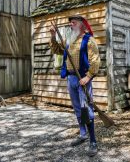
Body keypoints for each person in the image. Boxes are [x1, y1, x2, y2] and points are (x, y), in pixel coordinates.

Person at [49, 15, 101, 157]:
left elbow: (95, 61)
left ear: (82, 25)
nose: (71, 25)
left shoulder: (89, 41)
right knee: (78, 108)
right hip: (71, 79)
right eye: (70, 23)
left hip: (83, 79)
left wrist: (88, 77)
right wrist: (53, 36)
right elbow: (56, 50)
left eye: (73, 23)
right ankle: (83, 134)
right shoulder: (69, 41)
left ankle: (93, 141)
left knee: (85, 110)